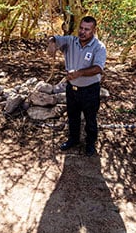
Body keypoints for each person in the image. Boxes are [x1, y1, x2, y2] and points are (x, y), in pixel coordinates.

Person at [46, 16, 107, 156]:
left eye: (87, 29)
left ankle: (90, 144)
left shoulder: (99, 47)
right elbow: (53, 38)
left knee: (90, 119)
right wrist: (51, 44)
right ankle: (73, 139)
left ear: (94, 30)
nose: (82, 32)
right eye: (81, 28)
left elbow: (98, 68)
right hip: (72, 88)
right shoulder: (71, 41)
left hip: (90, 89)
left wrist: (79, 73)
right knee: (73, 116)